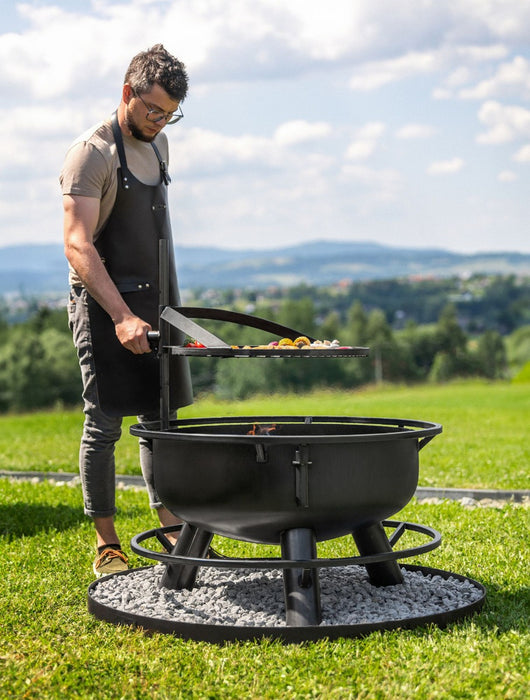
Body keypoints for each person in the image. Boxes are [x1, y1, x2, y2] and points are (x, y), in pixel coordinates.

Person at [60, 45, 193, 577]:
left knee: (161, 420)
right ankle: (107, 544)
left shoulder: (160, 147)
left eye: (170, 114)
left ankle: (168, 527)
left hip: (157, 305)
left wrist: (166, 310)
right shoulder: (92, 154)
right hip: (103, 306)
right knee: (105, 423)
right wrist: (119, 316)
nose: (160, 122)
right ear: (127, 93)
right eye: (153, 111)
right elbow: (77, 245)